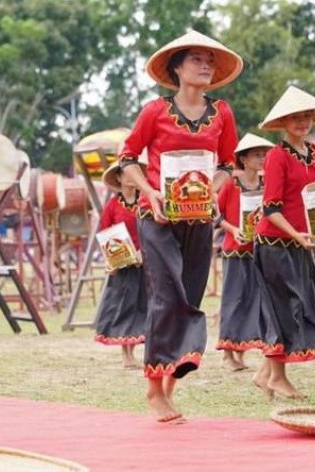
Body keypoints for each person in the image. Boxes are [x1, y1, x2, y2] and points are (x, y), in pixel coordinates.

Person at [119, 31, 242, 422]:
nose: (205, 65)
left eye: (210, 60)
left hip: (200, 220)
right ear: (176, 68)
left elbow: (228, 166)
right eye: (196, 59)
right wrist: (150, 193)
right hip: (156, 217)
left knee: (189, 294)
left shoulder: (221, 112)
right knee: (166, 294)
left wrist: (212, 194)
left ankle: (171, 383)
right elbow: (127, 159)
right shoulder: (154, 111)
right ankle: (153, 390)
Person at [253, 86, 315, 400]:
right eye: (295, 117)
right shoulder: (276, 156)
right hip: (274, 243)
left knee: (303, 305)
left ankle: (265, 374)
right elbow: (270, 209)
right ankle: (277, 377)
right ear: (284, 122)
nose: (302, 122)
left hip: (303, 242)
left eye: (306, 116)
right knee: (283, 307)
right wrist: (298, 235)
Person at [215, 134, 274, 372]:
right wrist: (233, 230)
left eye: (264, 155)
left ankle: (241, 350)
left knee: (254, 301)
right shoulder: (230, 184)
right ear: (244, 159)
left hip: (258, 251)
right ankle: (228, 354)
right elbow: (216, 214)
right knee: (233, 300)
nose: (262, 159)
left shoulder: (266, 185)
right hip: (234, 251)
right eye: (257, 155)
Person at [94, 162, 147, 369]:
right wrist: (111, 260)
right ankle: (125, 352)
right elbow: (105, 232)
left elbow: (153, 228)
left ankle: (133, 350)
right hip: (122, 263)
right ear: (118, 178)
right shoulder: (113, 206)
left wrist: (145, 251)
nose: (133, 177)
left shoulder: (145, 202)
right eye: (127, 174)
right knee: (124, 306)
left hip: (144, 263)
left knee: (141, 306)